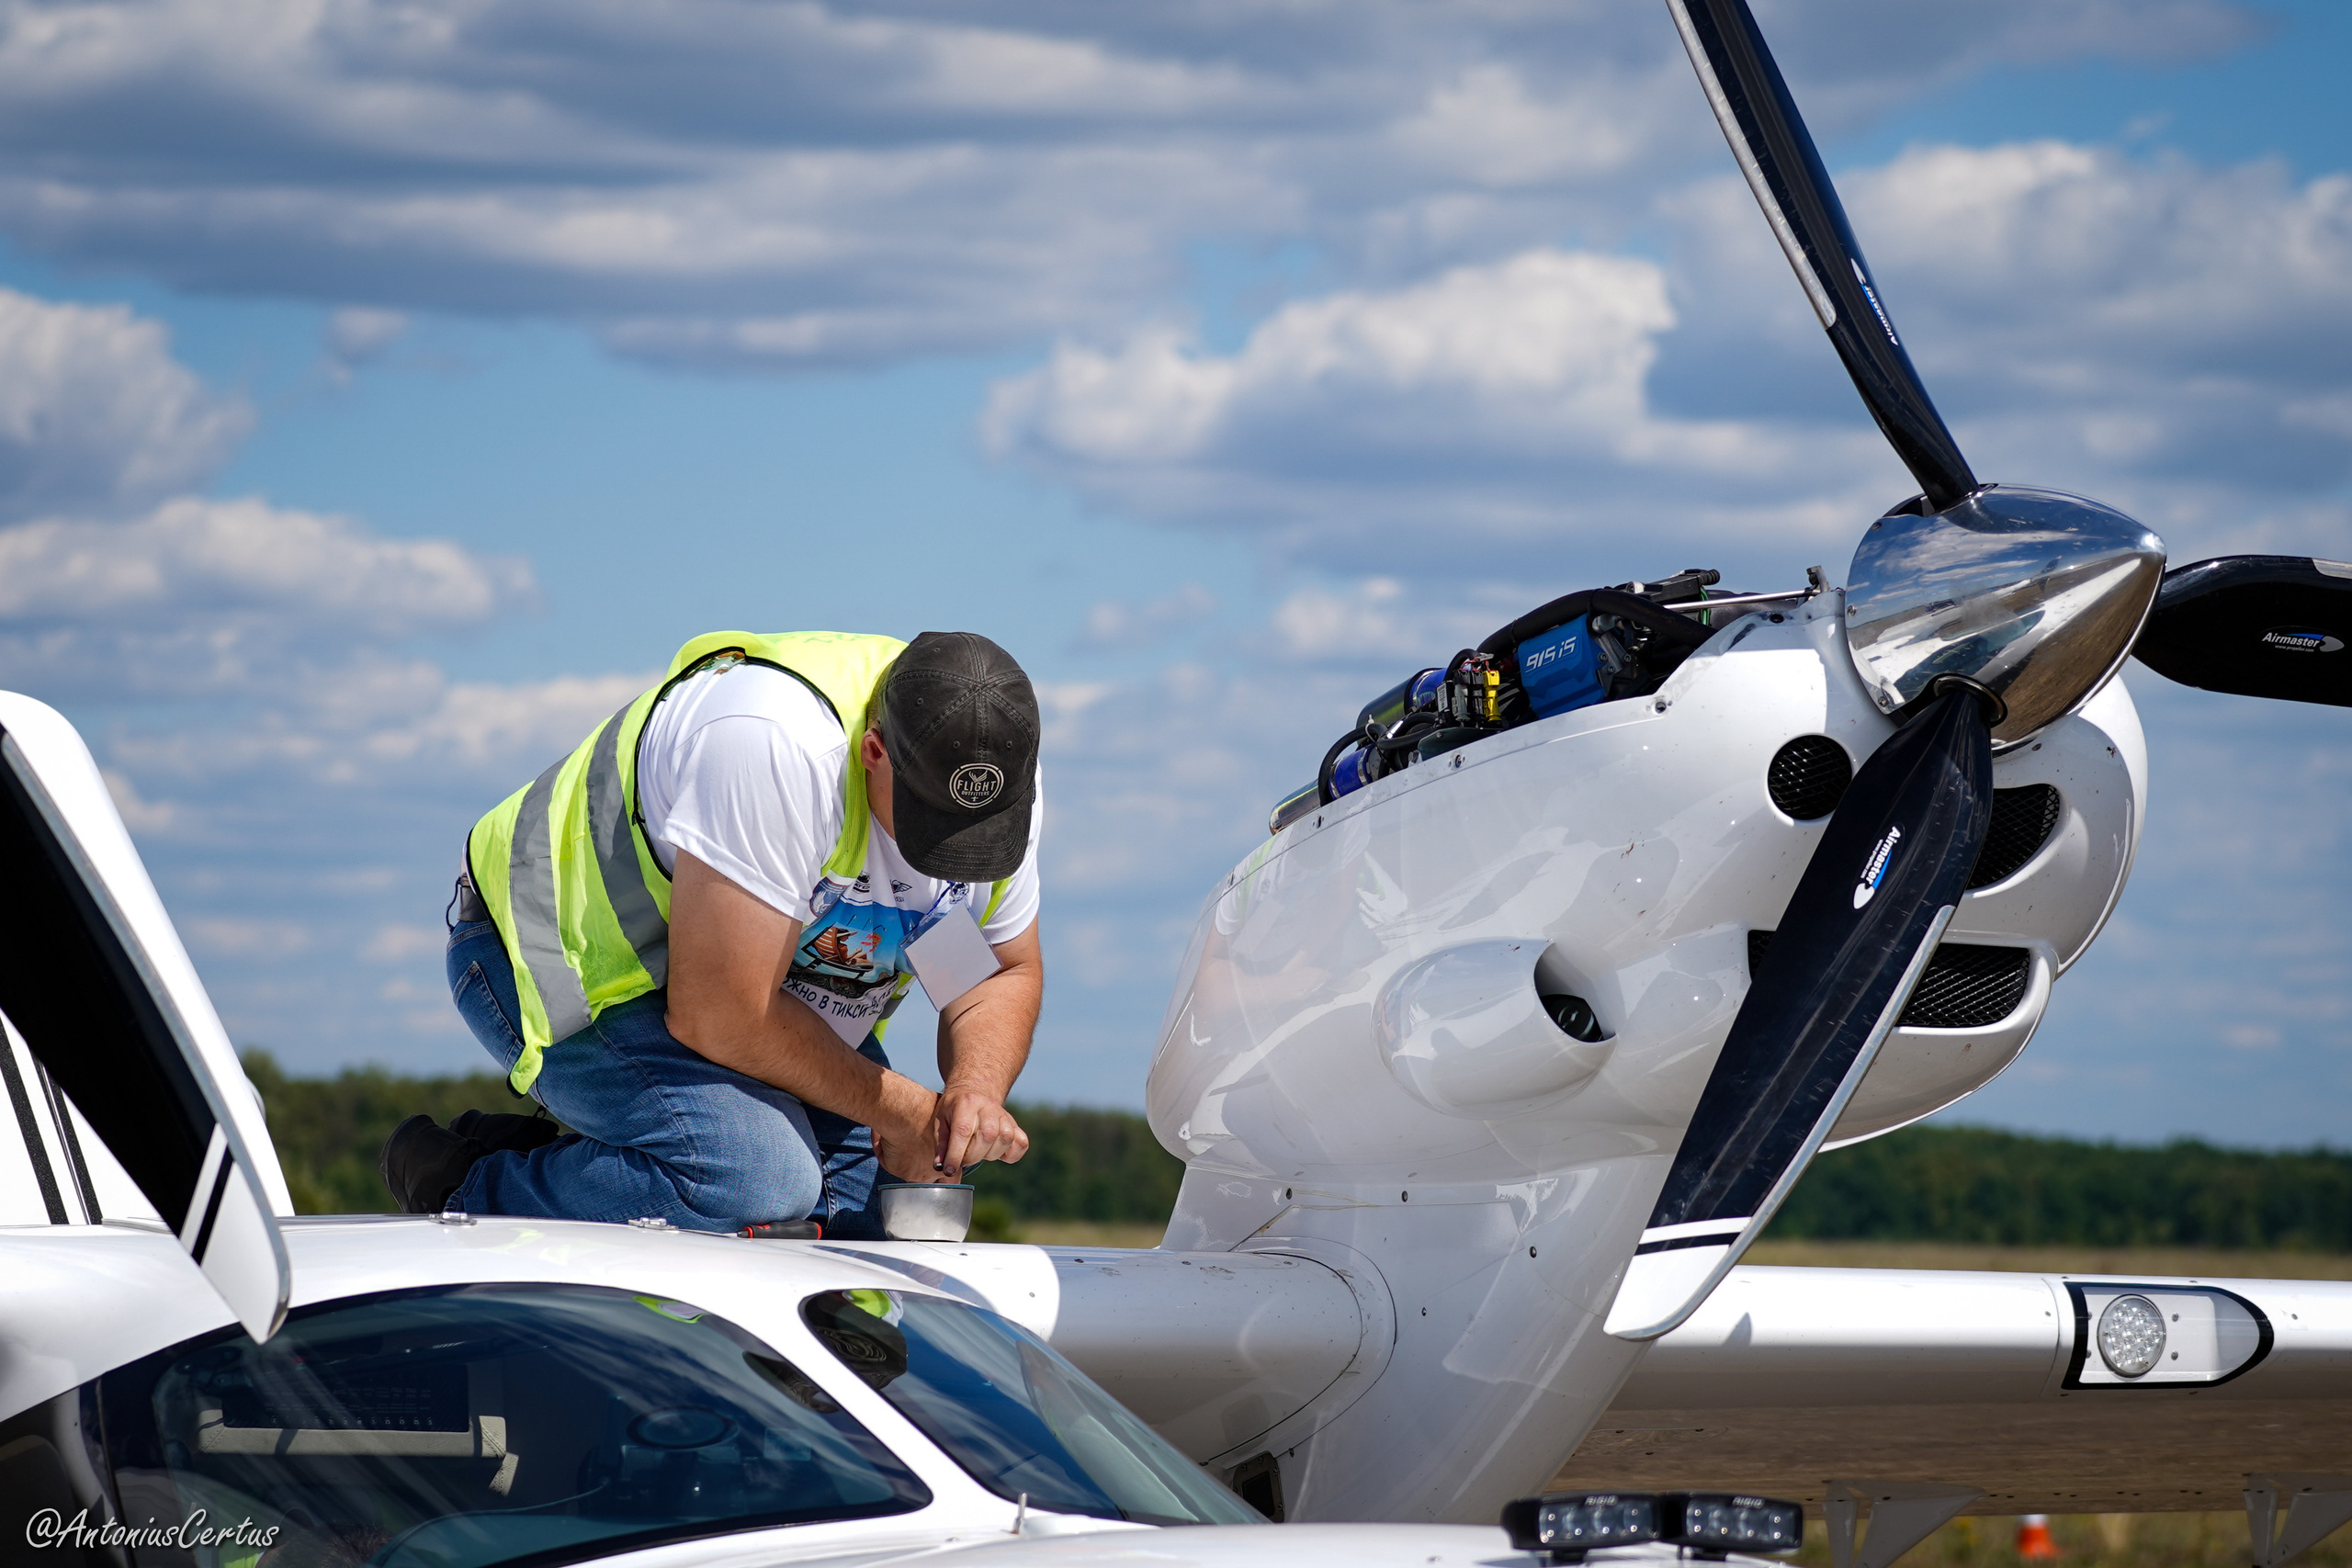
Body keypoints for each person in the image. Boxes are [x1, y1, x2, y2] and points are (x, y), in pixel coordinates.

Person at [380, 629, 1043, 1236]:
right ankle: (469, 1185)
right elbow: (722, 1015)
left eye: (974, 844)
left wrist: (969, 1094)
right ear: (874, 753)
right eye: (933, 830)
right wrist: (904, 1113)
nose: (946, 860)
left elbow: (991, 976)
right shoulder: (777, 744)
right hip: (558, 957)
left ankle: (603, 1168)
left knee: (874, 1204)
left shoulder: (993, 776)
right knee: (752, 1178)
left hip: (744, 979)